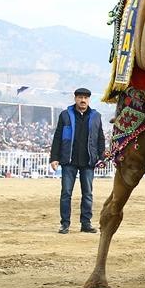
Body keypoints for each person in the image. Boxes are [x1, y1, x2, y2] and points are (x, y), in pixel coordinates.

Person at [49, 87, 106, 234]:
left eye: (85, 98)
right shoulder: (65, 115)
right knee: (66, 193)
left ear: (89, 100)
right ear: (75, 99)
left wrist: (101, 158)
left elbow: (100, 138)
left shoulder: (96, 116)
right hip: (69, 161)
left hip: (88, 162)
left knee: (87, 193)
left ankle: (86, 223)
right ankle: (65, 224)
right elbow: (57, 137)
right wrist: (54, 158)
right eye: (80, 97)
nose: (83, 100)